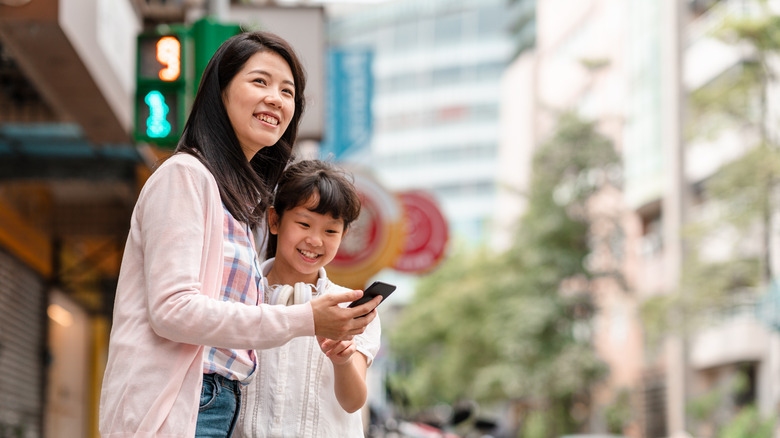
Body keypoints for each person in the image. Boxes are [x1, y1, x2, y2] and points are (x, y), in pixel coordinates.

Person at [99, 31, 381, 438]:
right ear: (221, 91)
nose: (276, 99)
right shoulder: (185, 176)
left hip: (217, 404)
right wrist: (306, 318)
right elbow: (173, 310)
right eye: (260, 81)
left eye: (288, 92)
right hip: (188, 402)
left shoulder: (234, 202)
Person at [236, 159, 381, 438]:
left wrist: (342, 361)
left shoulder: (349, 308)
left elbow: (353, 402)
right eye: (304, 224)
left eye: (330, 231)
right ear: (275, 220)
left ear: (344, 235)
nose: (315, 240)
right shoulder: (239, 297)